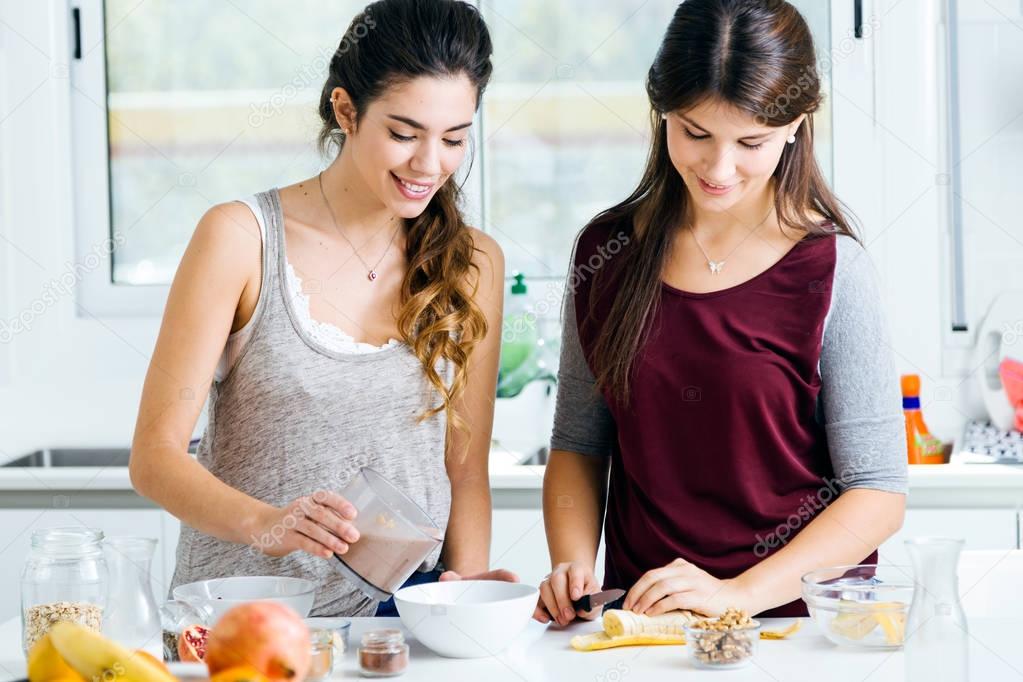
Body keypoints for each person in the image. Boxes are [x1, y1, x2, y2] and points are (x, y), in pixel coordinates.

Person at [130, 0, 512, 617]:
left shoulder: (474, 265)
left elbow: (464, 470)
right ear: (345, 110)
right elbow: (155, 458)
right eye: (403, 133)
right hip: (244, 618)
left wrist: (464, 600)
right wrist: (270, 525)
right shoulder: (240, 238)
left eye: (454, 139)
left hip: (398, 628)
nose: (429, 164)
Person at [536, 0, 907, 625]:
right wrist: (573, 565)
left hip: (793, 628)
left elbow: (876, 493)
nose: (718, 167)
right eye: (696, 133)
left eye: (751, 141)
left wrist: (738, 595)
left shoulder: (835, 271)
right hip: (646, 626)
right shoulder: (606, 255)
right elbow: (578, 444)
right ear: (662, 113)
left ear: (796, 124)